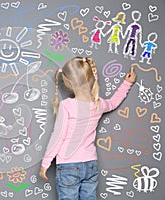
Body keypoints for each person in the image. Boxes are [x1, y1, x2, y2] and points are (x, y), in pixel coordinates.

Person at [39, 57, 137, 200]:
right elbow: (113, 102)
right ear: (90, 77)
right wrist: (127, 83)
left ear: (68, 83)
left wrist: (45, 163)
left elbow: (58, 136)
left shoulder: (67, 105)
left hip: (68, 166)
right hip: (90, 164)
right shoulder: (98, 103)